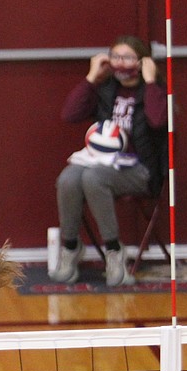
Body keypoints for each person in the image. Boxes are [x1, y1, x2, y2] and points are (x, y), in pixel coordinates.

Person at [49, 35, 168, 286]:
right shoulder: (105, 90)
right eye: (115, 57)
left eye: (127, 57)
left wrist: (149, 81)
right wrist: (91, 77)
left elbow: (159, 121)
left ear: (142, 61)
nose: (120, 63)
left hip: (140, 169)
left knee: (93, 178)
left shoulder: (153, 92)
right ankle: (70, 248)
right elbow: (69, 114)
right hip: (101, 160)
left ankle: (114, 251)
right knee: (68, 178)